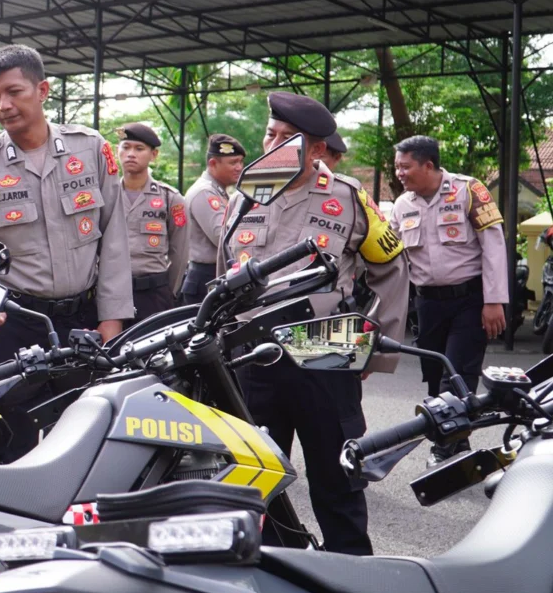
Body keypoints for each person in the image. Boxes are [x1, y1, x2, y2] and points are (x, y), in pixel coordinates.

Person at [224, 91, 408, 556]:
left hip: (325, 346)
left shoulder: (348, 196)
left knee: (337, 475)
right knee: (254, 476)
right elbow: (222, 276)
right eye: (271, 134)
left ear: (319, 149)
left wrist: (375, 347)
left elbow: (391, 269)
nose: (275, 145)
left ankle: (351, 573)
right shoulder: (245, 194)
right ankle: (270, 566)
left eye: (290, 138)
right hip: (254, 352)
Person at [0, 44, 132, 460]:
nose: (3, 105)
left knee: (84, 443)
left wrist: (112, 319)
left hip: (84, 324)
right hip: (16, 324)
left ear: (43, 90)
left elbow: (115, 238)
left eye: (14, 92)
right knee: (8, 443)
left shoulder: (90, 149)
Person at [388, 135, 507, 467]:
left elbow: (494, 246)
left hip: (470, 299)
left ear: (428, 165)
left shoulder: (468, 190)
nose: (399, 172)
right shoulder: (402, 205)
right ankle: (457, 441)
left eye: (405, 166)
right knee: (434, 373)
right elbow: (391, 258)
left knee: (457, 373)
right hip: (427, 303)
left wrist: (494, 300)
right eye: (398, 166)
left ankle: (445, 447)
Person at [115, 123, 186, 320]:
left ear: (153, 155)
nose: (131, 154)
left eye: (139, 149)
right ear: (117, 151)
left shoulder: (170, 198)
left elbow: (180, 254)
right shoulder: (106, 196)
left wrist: (168, 291)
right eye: (126, 147)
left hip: (154, 294)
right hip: (111, 295)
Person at [182, 134, 245, 304]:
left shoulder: (218, 191)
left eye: (240, 162)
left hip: (213, 276)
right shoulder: (205, 192)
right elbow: (224, 238)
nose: (239, 167)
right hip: (205, 278)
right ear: (213, 164)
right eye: (233, 162)